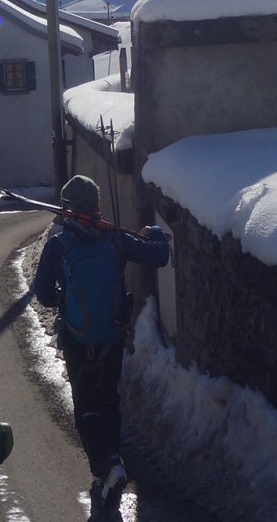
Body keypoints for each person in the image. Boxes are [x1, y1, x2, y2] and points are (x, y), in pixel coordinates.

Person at [32, 174, 170, 509]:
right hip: (112, 337)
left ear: (68, 208)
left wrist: (66, 299)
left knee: (86, 408)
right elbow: (158, 255)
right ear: (95, 206)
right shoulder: (114, 239)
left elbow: (43, 295)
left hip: (78, 340)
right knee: (108, 401)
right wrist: (154, 232)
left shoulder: (58, 246)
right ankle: (113, 462)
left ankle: (106, 468)